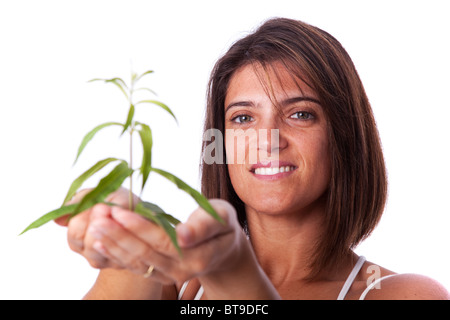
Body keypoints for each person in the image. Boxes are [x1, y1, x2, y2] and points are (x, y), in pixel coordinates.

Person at [56, 18, 449, 300]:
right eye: (243, 118)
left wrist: (235, 273)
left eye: (300, 114)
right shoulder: (178, 287)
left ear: (343, 136)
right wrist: (129, 243)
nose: (268, 140)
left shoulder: (401, 294)